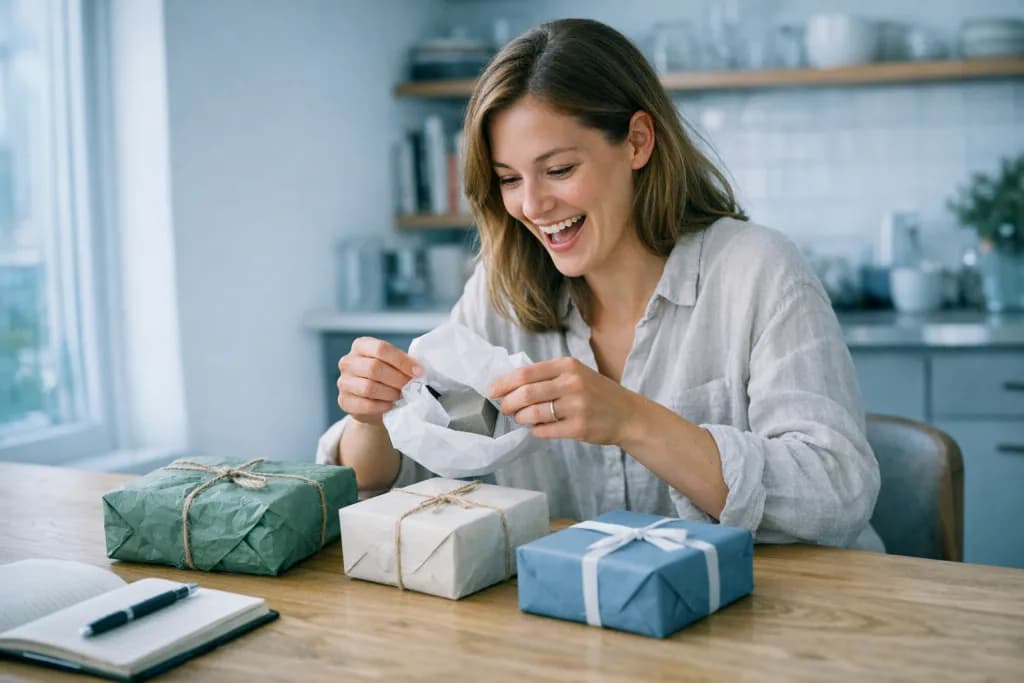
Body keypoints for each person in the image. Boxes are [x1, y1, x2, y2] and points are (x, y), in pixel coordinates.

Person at [317, 18, 883, 550]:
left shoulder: (758, 270)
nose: (533, 206)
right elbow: (409, 476)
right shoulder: (502, 289)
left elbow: (837, 493)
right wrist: (371, 419)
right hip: (587, 616)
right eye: (510, 179)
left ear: (637, 141)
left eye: (560, 169)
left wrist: (633, 421)